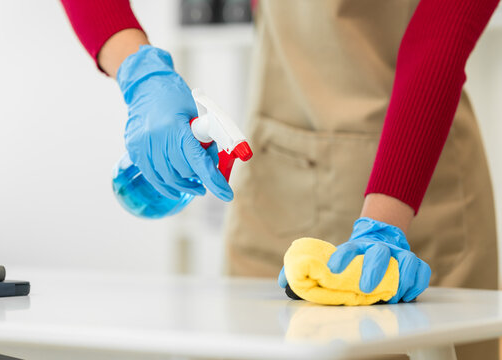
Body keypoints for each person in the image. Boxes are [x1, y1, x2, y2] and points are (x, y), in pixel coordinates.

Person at [60, 0, 501, 358]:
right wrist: (140, 71)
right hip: (277, 186)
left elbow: (438, 41)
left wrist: (385, 220)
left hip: (416, 194)